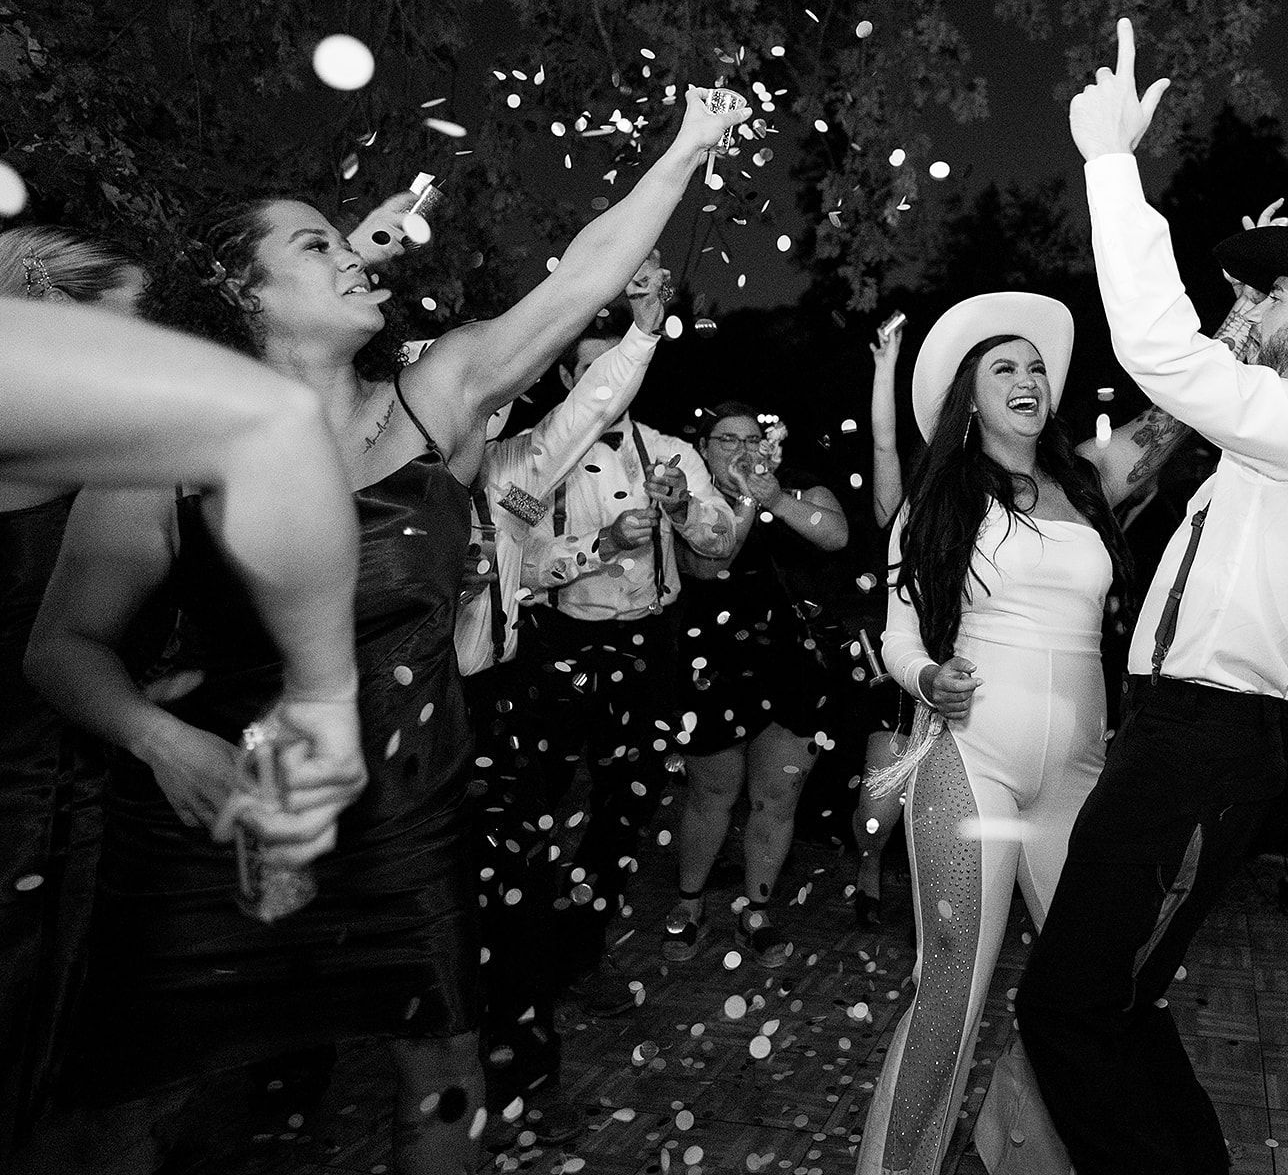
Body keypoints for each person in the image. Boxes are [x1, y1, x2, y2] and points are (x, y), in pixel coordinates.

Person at [21, 83, 748, 1175]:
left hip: (408, 813)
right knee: (116, 1117)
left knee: (445, 1092)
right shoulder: (169, 446)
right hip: (222, 814)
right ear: (240, 288)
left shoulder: (435, 395)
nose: (361, 256)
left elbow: (583, 276)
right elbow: (61, 647)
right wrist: (161, 742)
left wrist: (688, 145)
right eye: (317, 245)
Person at [1015, 19, 1288, 1175]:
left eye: (1273, 294)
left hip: (1203, 741)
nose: (1251, 308)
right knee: (1111, 1008)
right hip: (1176, 734)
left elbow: (1167, 359)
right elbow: (1210, 372)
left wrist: (1109, 167)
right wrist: (1251, 280)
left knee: (1071, 1011)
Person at [0, 275, 365, 1161]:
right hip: (22, 834)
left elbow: (80, 650)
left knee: (122, 1098)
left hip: (105, 830)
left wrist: (165, 737)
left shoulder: (140, 477)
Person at [856, 288, 1213, 1175]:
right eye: (1002, 367)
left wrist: (1240, 320)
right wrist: (928, 676)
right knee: (952, 991)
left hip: (1082, 779)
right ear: (969, 397)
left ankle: (1019, 1153)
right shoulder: (937, 500)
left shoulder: (1089, 482)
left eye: (1035, 366)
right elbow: (900, 637)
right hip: (971, 761)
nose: (1026, 379)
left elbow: (1173, 417)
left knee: (1090, 995)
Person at [451, 250, 673, 1139]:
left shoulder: (511, 470)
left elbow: (591, 406)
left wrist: (647, 325)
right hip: (400, 707)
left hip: (497, 697)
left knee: (519, 887)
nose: (496, 405)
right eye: (482, 392)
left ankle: (521, 1068)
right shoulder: (374, 482)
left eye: (505, 395)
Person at [515, 313, 738, 1008]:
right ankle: (517, 956)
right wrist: (599, 546)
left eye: (618, 365)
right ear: (564, 379)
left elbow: (721, 543)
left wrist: (681, 511)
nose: (607, 383)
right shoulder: (529, 455)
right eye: (589, 370)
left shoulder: (670, 451)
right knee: (535, 804)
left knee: (626, 805)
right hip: (558, 646)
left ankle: (581, 951)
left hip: (651, 645)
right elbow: (514, 559)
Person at [661, 402, 849, 967]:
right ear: (703, 448)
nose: (742, 449)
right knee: (712, 795)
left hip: (792, 662)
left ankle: (757, 911)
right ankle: (689, 904)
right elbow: (706, 565)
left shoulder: (794, 488)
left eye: (752, 438)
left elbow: (836, 536)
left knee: (777, 796)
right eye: (726, 440)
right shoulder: (686, 500)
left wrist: (774, 498)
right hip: (710, 665)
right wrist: (746, 498)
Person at [848, 321, 913, 928]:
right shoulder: (903, 515)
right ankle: (867, 865)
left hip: (981, 669)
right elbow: (885, 444)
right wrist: (885, 367)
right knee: (879, 805)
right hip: (901, 672)